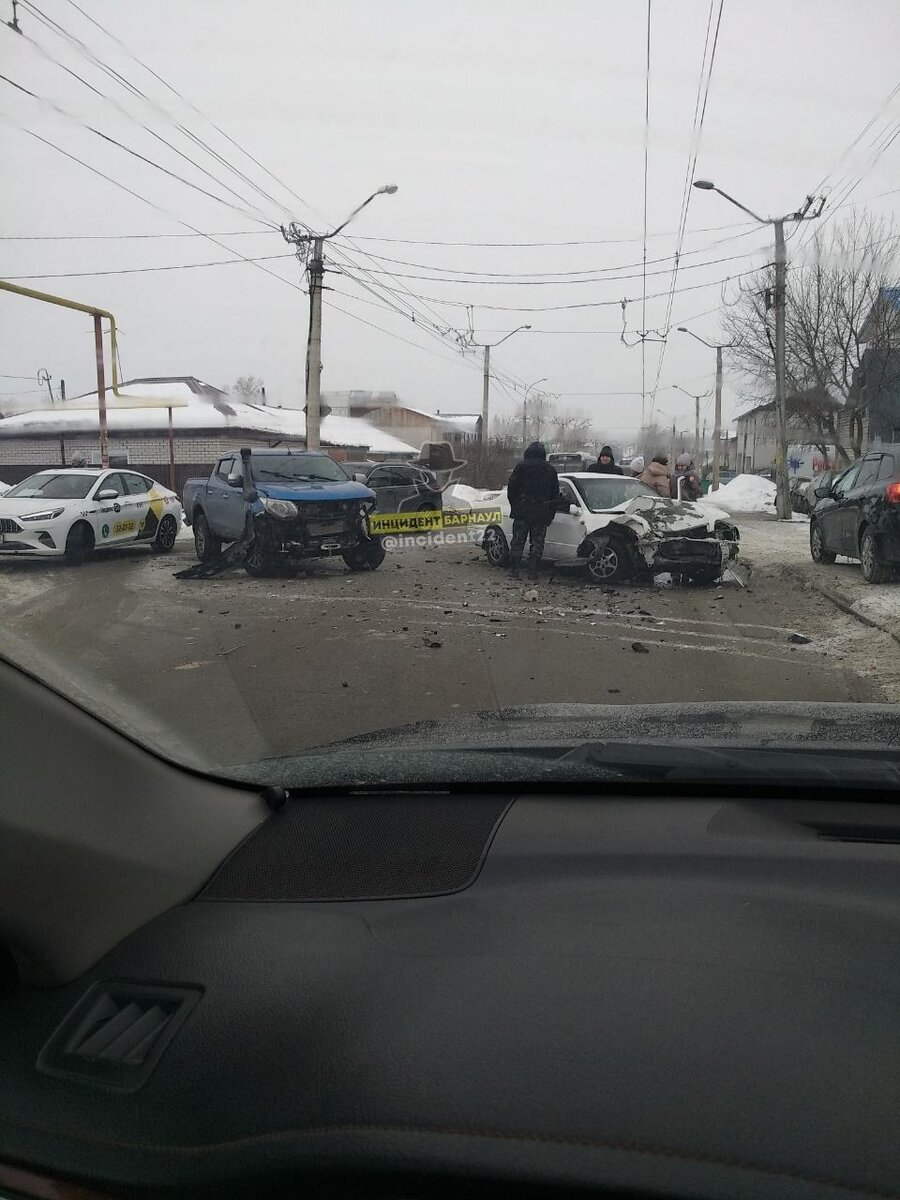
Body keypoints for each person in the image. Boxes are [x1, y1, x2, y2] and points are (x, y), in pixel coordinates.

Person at [506, 441, 561, 578]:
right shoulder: (550, 470)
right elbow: (555, 494)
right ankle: (533, 571)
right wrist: (550, 513)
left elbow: (511, 488)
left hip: (522, 511)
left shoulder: (521, 467)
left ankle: (514, 570)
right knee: (537, 543)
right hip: (541, 513)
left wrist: (515, 505)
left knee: (518, 542)